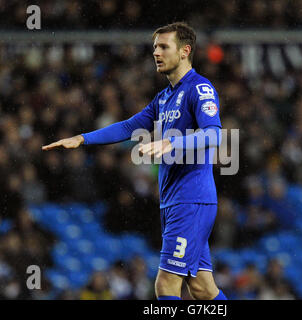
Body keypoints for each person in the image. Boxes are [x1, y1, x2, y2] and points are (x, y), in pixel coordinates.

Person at [42, 22, 227, 300]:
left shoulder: (199, 88)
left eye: (164, 47)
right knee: (202, 288)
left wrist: (171, 142)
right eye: (155, 47)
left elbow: (214, 134)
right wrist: (82, 138)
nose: (156, 52)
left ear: (185, 51)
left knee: (165, 285)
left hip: (191, 200)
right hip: (174, 202)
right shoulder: (164, 97)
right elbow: (129, 127)